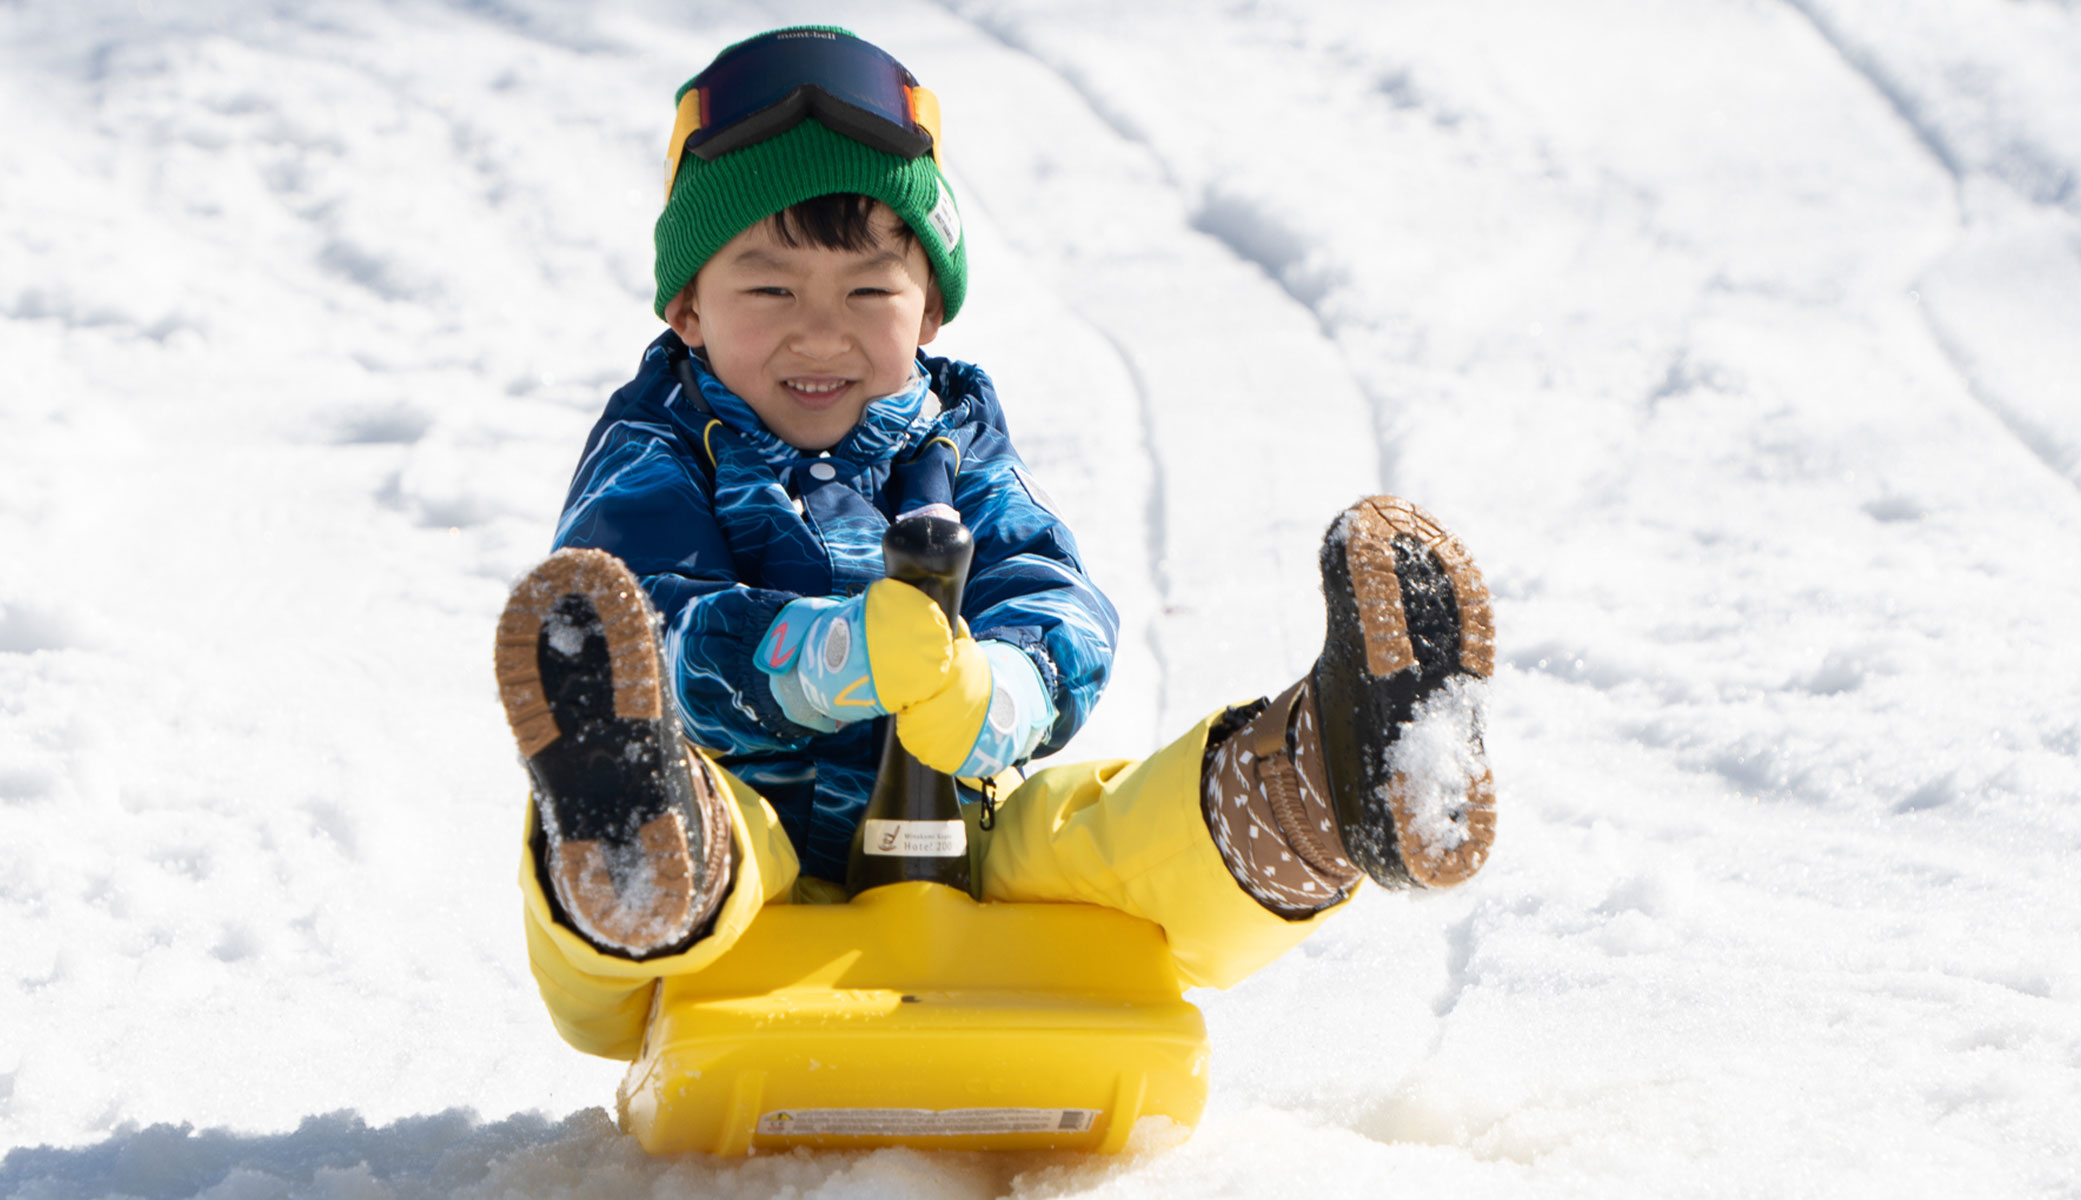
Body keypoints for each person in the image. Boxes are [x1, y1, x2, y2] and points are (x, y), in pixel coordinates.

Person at [493, 25, 1498, 1059]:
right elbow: (645, 628)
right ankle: (628, 839)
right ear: (688, 308)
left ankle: (1323, 786)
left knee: (1087, 836)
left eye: (868, 292)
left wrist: (1002, 692)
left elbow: (1047, 588)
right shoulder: (658, 443)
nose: (821, 332)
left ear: (929, 309)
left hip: (954, 844)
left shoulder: (954, 434)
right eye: (770, 289)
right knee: (698, 824)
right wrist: (826, 659)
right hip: (741, 850)